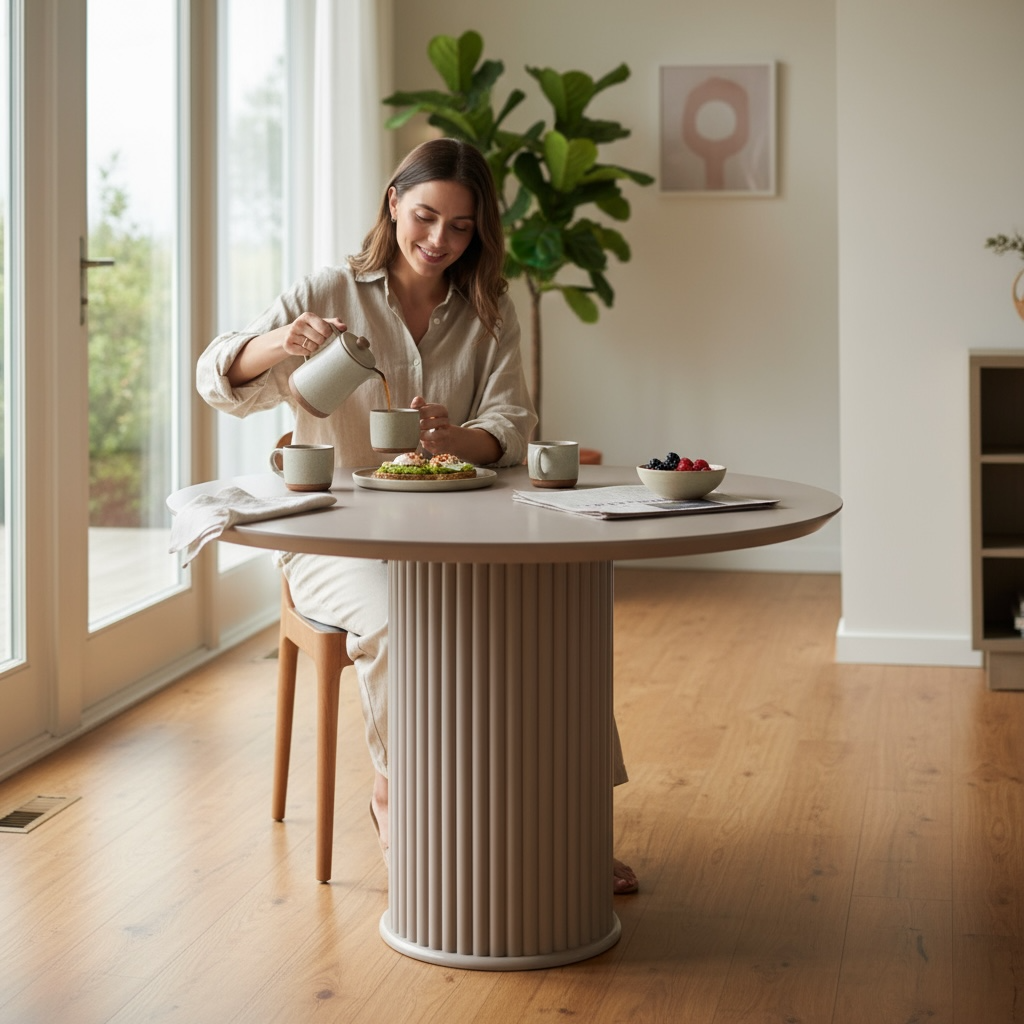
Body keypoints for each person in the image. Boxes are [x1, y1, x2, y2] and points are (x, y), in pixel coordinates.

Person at [197, 138, 638, 895]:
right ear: (394, 201)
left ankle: (574, 823)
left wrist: (454, 437)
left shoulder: (488, 309)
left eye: (461, 226)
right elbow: (217, 383)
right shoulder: (329, 290)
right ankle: (398, 799)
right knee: (399, 618)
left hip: (457, 533)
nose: (439, 240)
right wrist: (280, 341)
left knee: (559, 611)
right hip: (333, 538)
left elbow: (512, 423)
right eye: (426, 217)